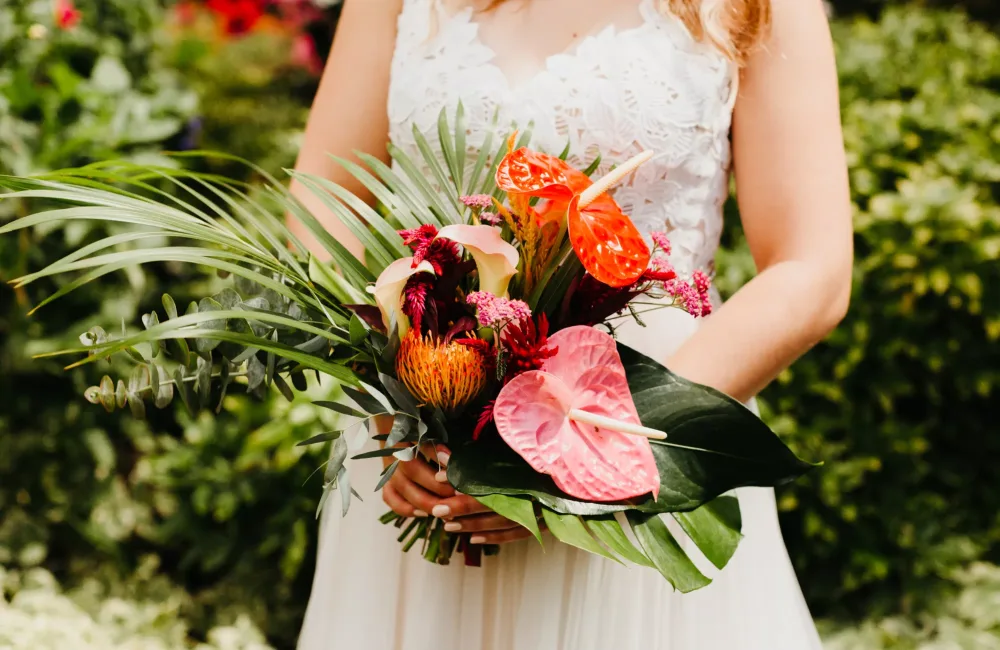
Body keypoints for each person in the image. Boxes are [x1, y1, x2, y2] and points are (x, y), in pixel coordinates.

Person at [291, 0, 852, 648]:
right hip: (426, 444)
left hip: (641, 433)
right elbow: (320, 206)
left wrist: (598, 444)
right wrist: (391, 393)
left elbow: (812, 268)